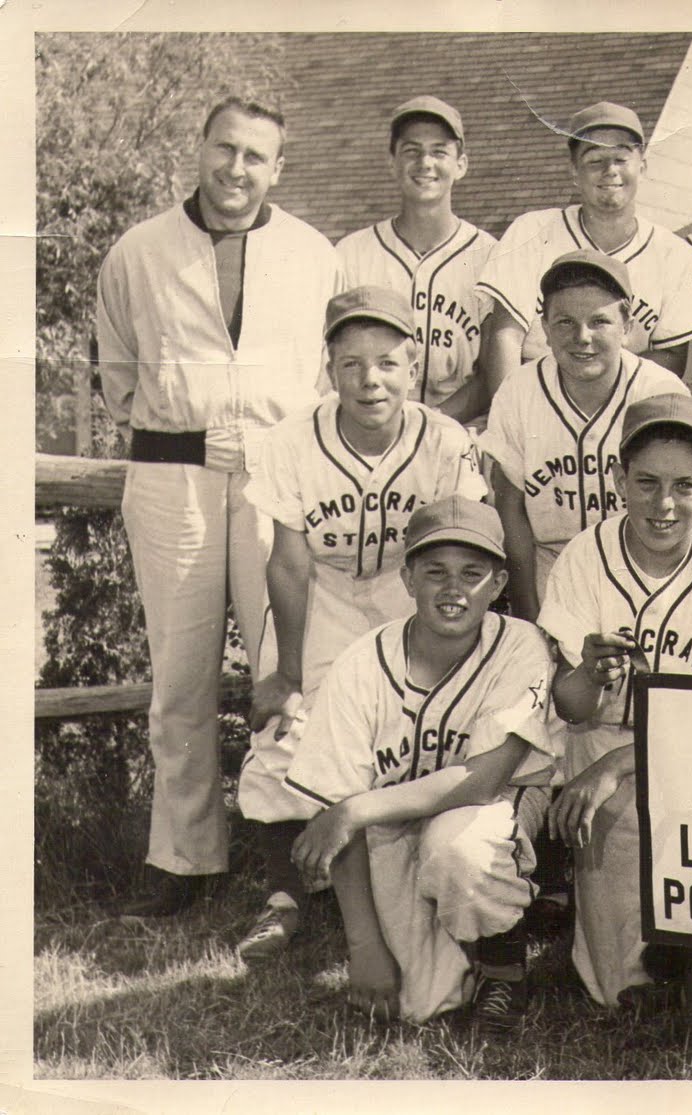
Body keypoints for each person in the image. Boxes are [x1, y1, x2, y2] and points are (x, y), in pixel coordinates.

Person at [94, 96, 340, 917]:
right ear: (199, 148)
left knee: (284, 667)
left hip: (277, 476)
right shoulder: (138, 251)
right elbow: (120, 376)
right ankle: (184, 856)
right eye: (225, 149)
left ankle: (288, 859)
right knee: (181, 676)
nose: (238, 169)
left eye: (256, 157)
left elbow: (325, 378)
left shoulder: (312, 254)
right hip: (174, 477)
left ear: (280, 167)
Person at [234, 286, 487, 960]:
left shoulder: (443, 438)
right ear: (329, 367)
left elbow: (459, 553)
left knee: (407, 733)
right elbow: (288, 564)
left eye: (386, 362)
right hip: (322, 592)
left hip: (411, 592)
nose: (369, 379)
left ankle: (406, 882)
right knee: (286, 734)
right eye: (351, 363)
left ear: (413, 367)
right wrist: (287, 670)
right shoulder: (292, 439)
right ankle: (284, 897)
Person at [535, 395, 692, 1041]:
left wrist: (615, 767)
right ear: (618, 479)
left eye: (684, 486)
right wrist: (586, 672)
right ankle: (645, 950)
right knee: (617, 988)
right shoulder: (585, 556)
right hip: (598, 737)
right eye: (646, 482)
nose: (663, 504)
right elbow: (568, 706)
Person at [285, 496, 558, 1030]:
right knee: (421, 1004)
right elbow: (338, 814)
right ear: (407, 579)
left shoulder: (520, 645)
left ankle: (503, 968)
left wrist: (353, 811)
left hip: (498, 807)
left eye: (472, 574)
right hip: (391, 825)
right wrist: (365, 949)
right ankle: (460, 957)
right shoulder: (359, 666)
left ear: (499, 584)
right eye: (435, 573)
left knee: (458, 848)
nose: (454, 590)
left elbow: (484, 780)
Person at [478, 250, 687, 622]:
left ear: (627, 324)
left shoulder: (658, 391)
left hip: (642, 567)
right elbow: (510, 505)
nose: (582, 338)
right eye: (564, 322)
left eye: (599, 321)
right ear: (542, 326)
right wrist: (529, 614)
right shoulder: (519, 390)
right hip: (549, 566)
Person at [475, 101, 692, 386]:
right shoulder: (531, 230)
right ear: (574, 172)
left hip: (625, 398)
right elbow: (505, 336)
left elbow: (671, 356)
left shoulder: (674, 253)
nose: (610, 170)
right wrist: (512, 412)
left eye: (621, 158)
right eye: (595, 160)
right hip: (534, 391)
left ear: (642, 167)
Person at [336, 96, 497, 425]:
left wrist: (428, 426)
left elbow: (491, 374)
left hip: (460, 431)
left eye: (439, 151)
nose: (425, 163)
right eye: (412, 151)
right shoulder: (351, 253)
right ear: (392, 162)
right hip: (369, 429)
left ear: (461, 164)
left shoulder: (490, 255)